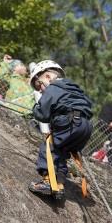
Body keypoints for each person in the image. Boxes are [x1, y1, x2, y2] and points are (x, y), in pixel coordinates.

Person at [28, 60, 93, 200]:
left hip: (69, 122)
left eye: (39, 85)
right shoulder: (73, 88)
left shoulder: (53, 88)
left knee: (49, 147)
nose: (40, 90)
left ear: (47, 77)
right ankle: (59, 184)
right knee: (60, 152)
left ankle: (48, 181)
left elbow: (42, 114)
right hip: (85, 126)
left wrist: (35, 107)